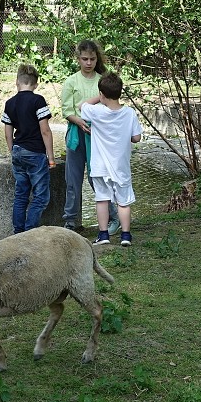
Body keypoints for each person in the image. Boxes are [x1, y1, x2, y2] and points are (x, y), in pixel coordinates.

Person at [78, 72, 143, 247]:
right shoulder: (129, 113)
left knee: (102, 199)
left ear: (102, 94)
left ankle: (103, 234)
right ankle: (126, 235)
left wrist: (98, 98)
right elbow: (136, 138)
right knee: (123, 201)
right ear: (120, 92)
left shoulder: (96, 112)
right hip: (121, 166)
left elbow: (80, 106)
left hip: (99, 166)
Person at [61, 39, 118, 233]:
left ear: (96, 59)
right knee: (73, 180)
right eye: (84, 59)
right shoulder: (71, 81)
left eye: (92, 59)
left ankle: (112, 217)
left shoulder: (102, 79)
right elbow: (66, 109)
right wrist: (78, 121)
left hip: (97, 135)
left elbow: (110, 105)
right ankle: (70, 221)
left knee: (98, 178)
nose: (88, 63)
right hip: (76, 135)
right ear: (78, 59)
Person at [2, 63, 55, 234]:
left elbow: (7, 133)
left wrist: (12, 151)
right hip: (35, 152)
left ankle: (18, 232)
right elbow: (45, 130)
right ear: (35, 84)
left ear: (17, 82)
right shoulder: (37, 100)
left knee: (21, 195)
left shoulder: (9, 103)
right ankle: (30, 231)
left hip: (18, 150)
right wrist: (51, 158)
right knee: (41, 197)